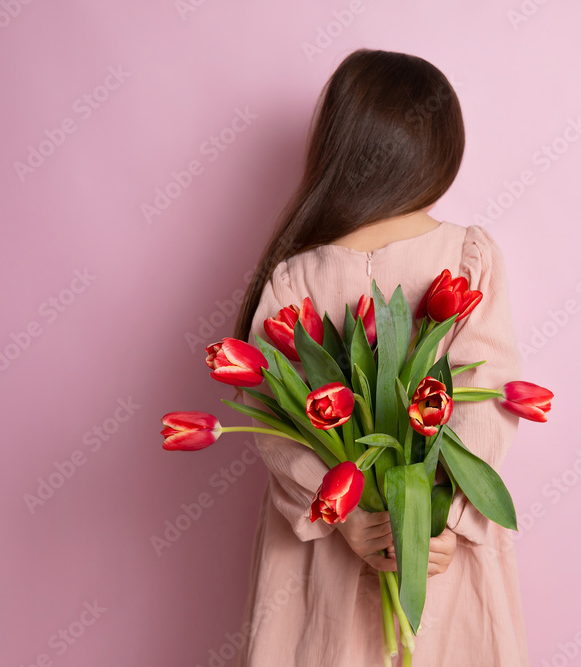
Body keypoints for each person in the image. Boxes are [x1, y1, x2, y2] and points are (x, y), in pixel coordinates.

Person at [230, 48, 529, 666]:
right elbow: (492, 391)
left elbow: (271, 420)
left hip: (325, 559)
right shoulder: (469, 254)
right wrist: (435, 518)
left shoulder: (294, 276)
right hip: (441, 552)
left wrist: (338, 509)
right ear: (440, 149)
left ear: (338, 145)